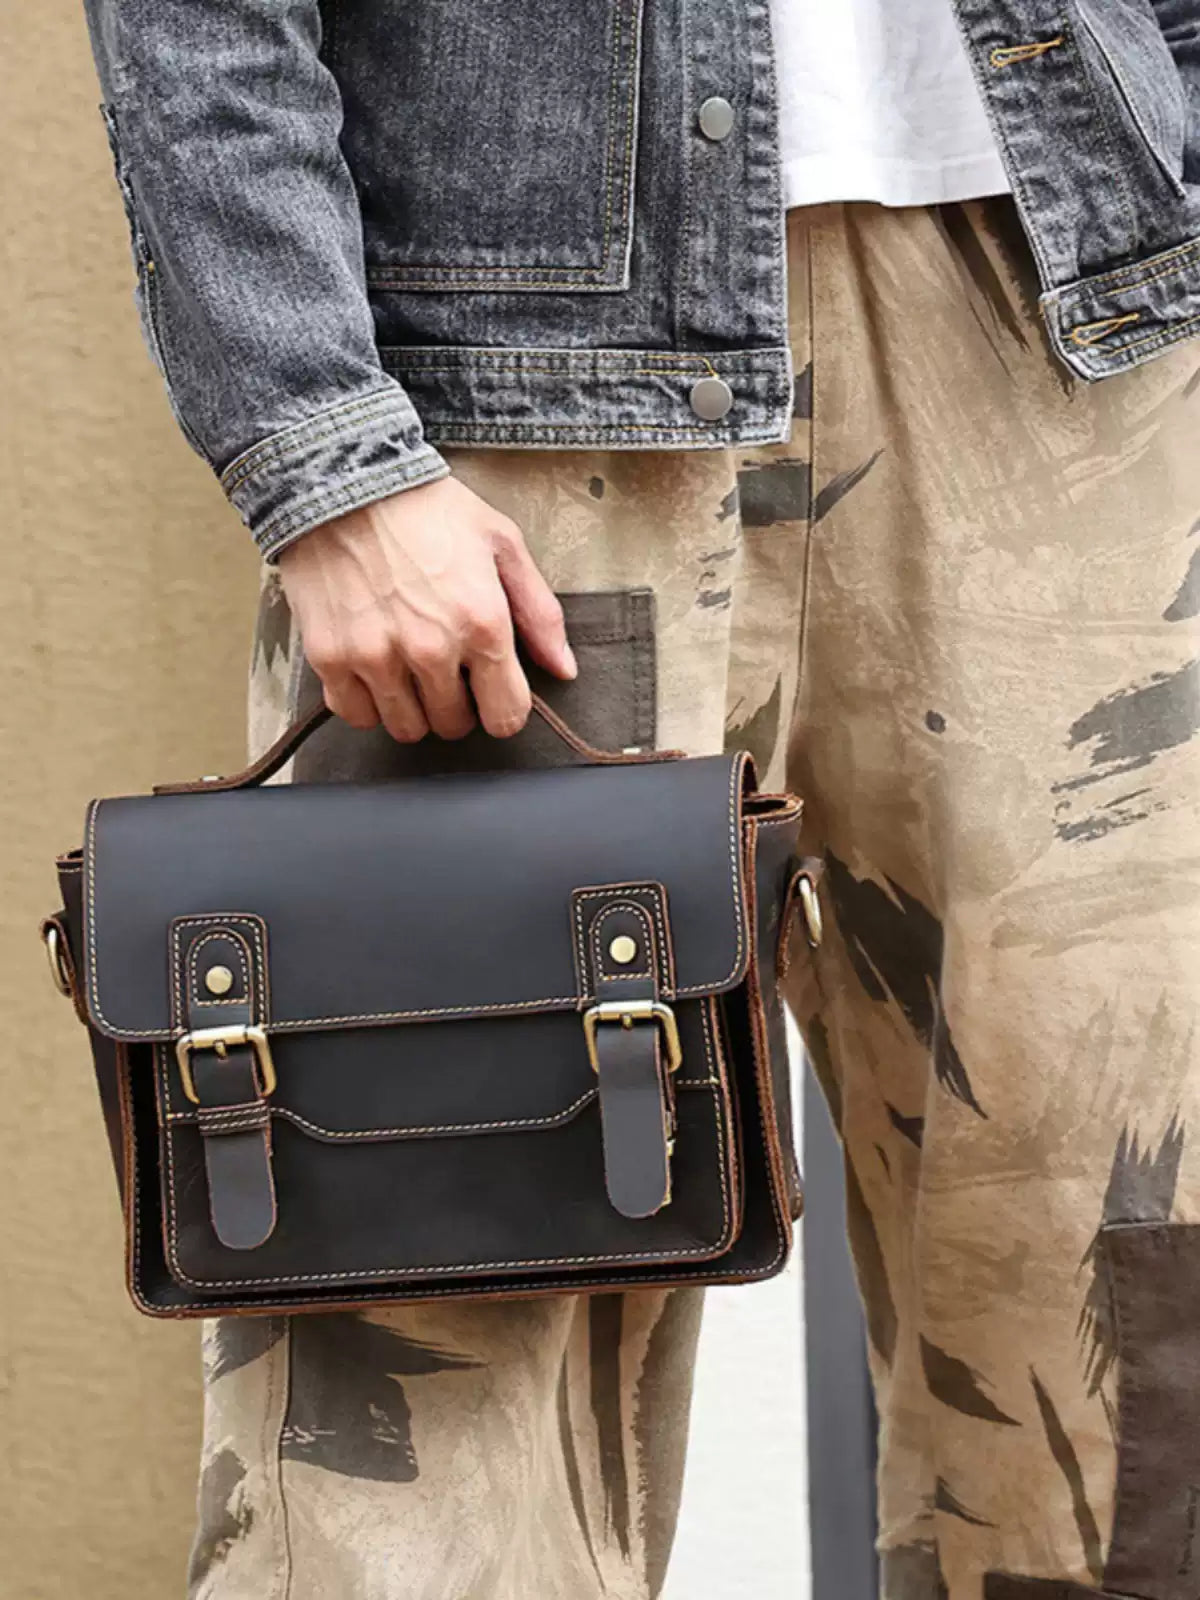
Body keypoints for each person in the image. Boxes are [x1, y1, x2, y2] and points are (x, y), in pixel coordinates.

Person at [81, 0, 1200, 1596]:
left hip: (1076, 340)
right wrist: (320, 456)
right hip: (516, 408)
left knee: (1116, 1347)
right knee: (431, 1369)